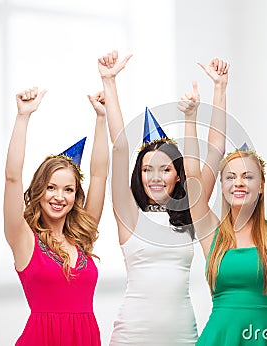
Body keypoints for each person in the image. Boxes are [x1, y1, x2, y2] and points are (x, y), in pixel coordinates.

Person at [98, 50, 229, 345]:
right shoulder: (129, 213)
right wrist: (109, 81)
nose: (155, 177)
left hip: (182, 336)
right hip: (131, 336)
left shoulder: (190, 210)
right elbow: (120, 147)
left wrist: (219, 88)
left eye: (164, 169)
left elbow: (216, 151)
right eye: (147, 169)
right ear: (139, 174)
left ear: (178, 175)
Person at [179, 74, 267, 345]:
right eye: (231, 177)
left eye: (248, 176)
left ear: (261, 186)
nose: (239, 182)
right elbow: (192, 178)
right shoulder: (211, 232)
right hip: (219, 338)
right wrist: (191, 118)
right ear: (223, 186)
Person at [4, 87, 109, 346]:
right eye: (51, 187)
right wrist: (23, 117)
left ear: (75, 196)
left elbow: (99, 175)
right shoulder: (23, 239)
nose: (59, 196)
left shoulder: (81, 238)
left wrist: (101, 119)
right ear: (39, 191)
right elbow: (12, 178)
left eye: (68, 189)